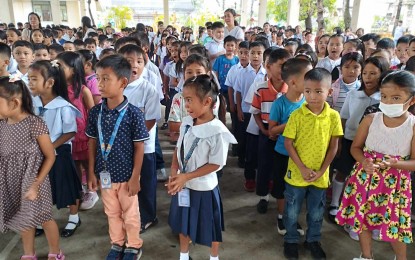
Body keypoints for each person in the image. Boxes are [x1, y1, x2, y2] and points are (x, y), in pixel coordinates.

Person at [336, 70, 415, 260]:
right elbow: (355, 147)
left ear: (411, 100)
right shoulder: (371, 119)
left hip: (395, 185)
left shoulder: (412, 126)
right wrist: (364, 160)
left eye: (396, 98)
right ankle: (366, 256)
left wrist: (396, 164)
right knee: (362, 219)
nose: (388, 102)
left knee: (395, 225)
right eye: (385, 97)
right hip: (365, 178)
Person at [167, 74, 237, 260]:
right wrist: (175, 172)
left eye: (189, 100)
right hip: (184, 185)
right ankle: (183, 255)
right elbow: (178, 148)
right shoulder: (187, 123)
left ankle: (213, 257)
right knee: (183, 223)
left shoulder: (218, 131)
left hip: (204, 188)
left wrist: (186, 177)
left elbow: (216, 163)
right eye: (184, 100)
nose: (186, 105)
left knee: (211, 225)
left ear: (207, 101)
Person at [86, 54, 149, 259]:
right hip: (105, 176)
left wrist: (135, 177)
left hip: (126, 177)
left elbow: (140, 148)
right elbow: (92, 143)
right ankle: (117, 243)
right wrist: (91, 172)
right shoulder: (96, 112)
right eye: (98, 78)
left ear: (122, 82)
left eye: (106, 78)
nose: (100, 84)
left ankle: (133, 245)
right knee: (111, 213)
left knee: (130, 214)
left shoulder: (133, 114)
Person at [0, 77, 65, 260]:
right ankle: (29, 254)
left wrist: (36, 184)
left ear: (15, 102)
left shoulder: (34, 123)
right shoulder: (2, 124)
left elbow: (50, 155)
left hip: (34, 180)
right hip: (11, 180)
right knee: (23, 219)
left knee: (44, 218)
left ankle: (55, 251)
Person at [282, 68, 343, 259]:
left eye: (318, 91)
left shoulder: (333, 116)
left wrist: (322, 170)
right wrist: (301, 167)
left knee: (316, 213)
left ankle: (313, 240)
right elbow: (288, 143)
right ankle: (291, 240)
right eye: (307, 91)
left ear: (329, 92)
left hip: (320, 176)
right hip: (296, 173)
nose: (312, 96)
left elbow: (334, 147)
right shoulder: (297, 115)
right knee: (291, 212)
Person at [28, 60, 83, 238]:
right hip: (38, 153)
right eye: (29, 79)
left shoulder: (63, 106)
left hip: (59, 153)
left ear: (50, 83)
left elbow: (70, 132)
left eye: (34, 79)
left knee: (67, 185)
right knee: (42, 185)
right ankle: (41, 218)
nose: (30, 83)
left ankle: (74, 217)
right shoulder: (32, 103)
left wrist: (49, 147)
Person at [118, 44, 161, 233]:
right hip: (120, 146)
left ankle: (148, 216)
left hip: (144, 146)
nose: (134, 65)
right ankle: (128, 213)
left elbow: (151, 119)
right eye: (129, 61)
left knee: (145, 182)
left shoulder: (148, 89)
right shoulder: (116, 87)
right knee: (126, 181)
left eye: (139, 61)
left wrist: (135, 138)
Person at [268, 58, 312, 235]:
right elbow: (271, 131)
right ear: (293, 82)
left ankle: (292, 217)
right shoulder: (280, 104)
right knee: (281, 188)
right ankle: (281, 217)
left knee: (297, 188)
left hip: (304, 154)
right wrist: (292, 122)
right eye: (307, 77)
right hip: (283, 153)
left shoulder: (310, 102)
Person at [251, 48, 291, 214]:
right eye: (281, 65)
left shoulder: (291, 90)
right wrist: (265, 131)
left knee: (281, 167)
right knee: (264, 165)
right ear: (268, 67)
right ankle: (263, 197)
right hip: (266, 132)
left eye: (287, 66)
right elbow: (256, 113)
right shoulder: (260, 89)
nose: (285, 70)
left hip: (286, 134)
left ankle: (279, 195)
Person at [57, 52, 96, 211]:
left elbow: (92, 113)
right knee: (75, 164)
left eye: (61, 66)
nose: (57, 69)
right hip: (67, 135)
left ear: (73, 70)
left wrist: (93, 136)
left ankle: (92, 190)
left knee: (87, 163)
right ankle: (80, 190)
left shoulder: (83, 90)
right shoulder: (57, 89)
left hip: (83, 134)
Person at [234, 41, 266, 168]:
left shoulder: (266, 74)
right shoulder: (242, 72)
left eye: (259, 53)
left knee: (256, 138)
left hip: (260, 112)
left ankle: (255, 161)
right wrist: (239, 110)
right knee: (243, 137)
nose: (255, 56)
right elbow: (238, 92)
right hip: (246, 110)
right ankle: (242, 159)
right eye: (252, 53)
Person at [212, 35, 239, 106]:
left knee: (232, 105)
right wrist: (217, 85)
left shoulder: (237, 60)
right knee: (222, 105)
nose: (230, 47)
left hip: (234, 87)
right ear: (224, 46)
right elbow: (216, 72)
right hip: (222, 87)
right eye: (228, 45)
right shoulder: (220, 59)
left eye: (232, 45)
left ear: (235, 46)